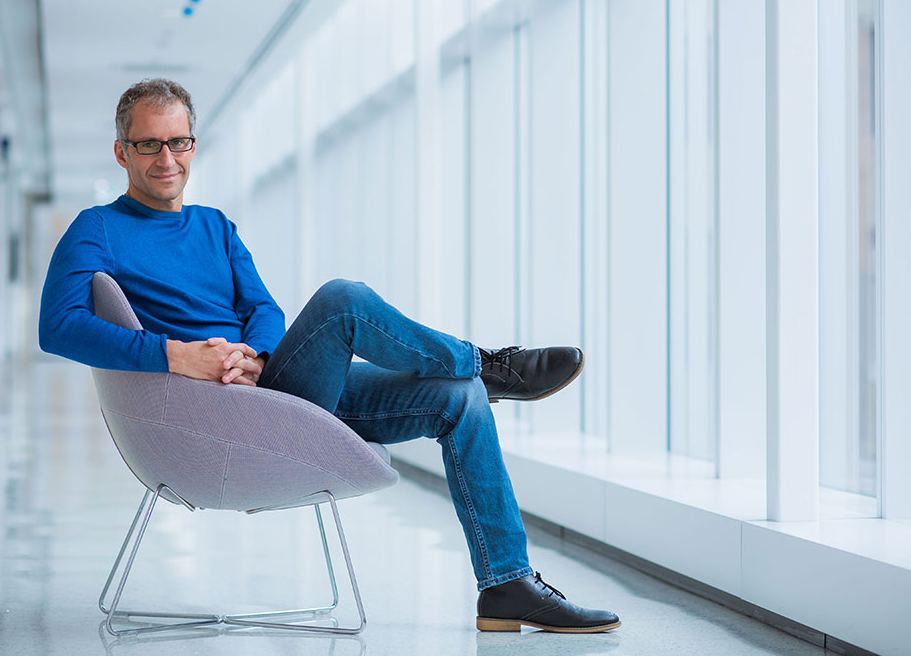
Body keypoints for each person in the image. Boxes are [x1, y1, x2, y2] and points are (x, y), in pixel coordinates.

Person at [38, 78, 620, 634]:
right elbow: (58, 327)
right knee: (344, 301)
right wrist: (175, 355)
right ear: (122, 151)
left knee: (461, 400)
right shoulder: (97, 229)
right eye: (149, 144)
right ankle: (488, 364)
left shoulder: (215, 226)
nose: (166, 158)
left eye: (179, 142)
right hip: (211, 412)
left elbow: (262, 308)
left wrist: (259, 354)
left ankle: (506, 584)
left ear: (193, 144)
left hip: (269, 390)